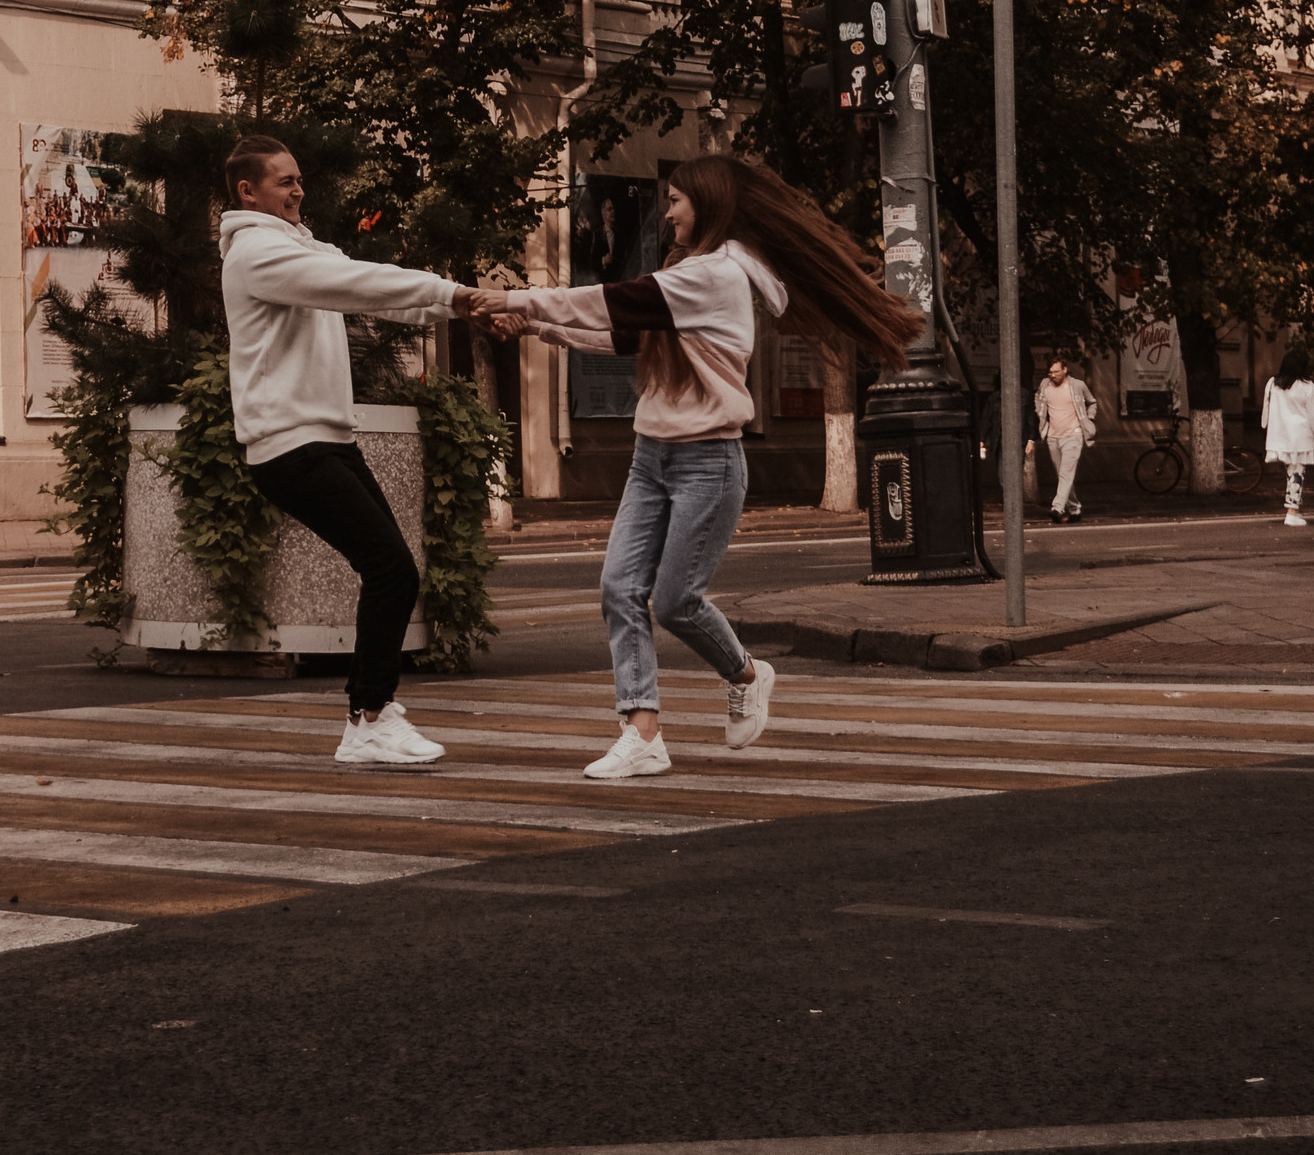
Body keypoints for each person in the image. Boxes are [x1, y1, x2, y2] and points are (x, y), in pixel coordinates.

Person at [486, 154, 923, 781]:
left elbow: (611, 301)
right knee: (618, 589)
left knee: (675, 601)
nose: (667, 213)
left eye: (675, 201)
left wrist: (515, 297)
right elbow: (628, 335)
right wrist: (537, 326)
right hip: (650, 459)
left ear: (709, 205)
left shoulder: (717, 276)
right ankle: (642, 733)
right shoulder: (689, 273)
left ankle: (747, 672)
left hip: (708, 463)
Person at [219, 137, 484, 766]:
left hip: (327, 438)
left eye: (299, 178)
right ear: (247, 192)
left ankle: (369, 714)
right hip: (290, 445)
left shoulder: (302, 245)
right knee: (392, 569)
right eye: (283, 181)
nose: (297, 189)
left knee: (390, 570)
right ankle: (369, 717)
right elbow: (355, 284)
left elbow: (383, 294)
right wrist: (454, 294)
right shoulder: (258, 254)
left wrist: (464, 307)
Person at [1026, 357, 1097, 523]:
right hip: (1053, 437)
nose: (1053, 375)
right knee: (1063, 475)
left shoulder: (1077, 385)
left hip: (1073, 436)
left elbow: (1092, 402)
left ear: (1065, 370)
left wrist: (1090, 418)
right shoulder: (1045, 385)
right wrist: (1039, 411)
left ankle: (1057, 508)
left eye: (1056, 371)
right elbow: (1037, 398)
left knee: (1065, 473)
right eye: (1050, 372)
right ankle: (1075, 509)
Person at [1262, 349, 1314, 526]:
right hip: (1300, 436)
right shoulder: (1307, 386)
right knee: (1297, 472)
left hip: (1278, 435)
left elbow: (1266, 408)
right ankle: (1292, 511)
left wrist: (1265, 426)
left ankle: (1294, 508)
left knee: (1291, 472)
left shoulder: (1273, 383)